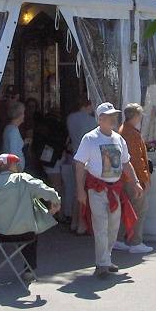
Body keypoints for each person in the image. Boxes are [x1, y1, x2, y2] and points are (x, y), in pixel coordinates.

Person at [0, 154, 61, 283]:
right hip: (25, 234)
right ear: (11, 165)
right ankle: (29, 270)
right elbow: (49, 193)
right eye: (16, 164)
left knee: (26, 226)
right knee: (31, 228)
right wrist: (56, 202)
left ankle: (28, 270)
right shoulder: (24, 179)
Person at [73, 102, 143, 278]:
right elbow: (80, 164)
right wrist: (80, 190)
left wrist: (135, 182)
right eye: (109, 116)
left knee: (113, 226)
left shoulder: (119, 139)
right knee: (101, 225)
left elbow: (126, 163)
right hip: (96, 188)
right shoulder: (90, 139)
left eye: (114, 116)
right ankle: (102, 264)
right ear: (100, 119)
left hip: (115, 189)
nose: (113, 119)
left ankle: (106, 258)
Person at [113, 103, 153, 254]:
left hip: (124, 178)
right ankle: (135, 242)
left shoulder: (123, 130)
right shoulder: (132, 134)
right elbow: (137, 161)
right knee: (139, 209)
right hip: (132, 178)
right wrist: (144, 179)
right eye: (140, 115)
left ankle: (119, 239)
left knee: (125, 209)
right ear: (136, 116)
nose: (141, 118)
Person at [65, 99, 97, 232]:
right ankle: (81, 225)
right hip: (86, 158)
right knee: (83, 192)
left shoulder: (70, 118)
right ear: (88, 105)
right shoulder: (92, 121)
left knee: (76, 190)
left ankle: (74, 222)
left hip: (74, 154)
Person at [0, 101, 27, 169]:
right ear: (19, 115)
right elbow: (13, 152)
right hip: (15, 168)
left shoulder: (9, 128)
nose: (24, 115)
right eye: (23, 113)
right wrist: (16, 169)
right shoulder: (13, 131)